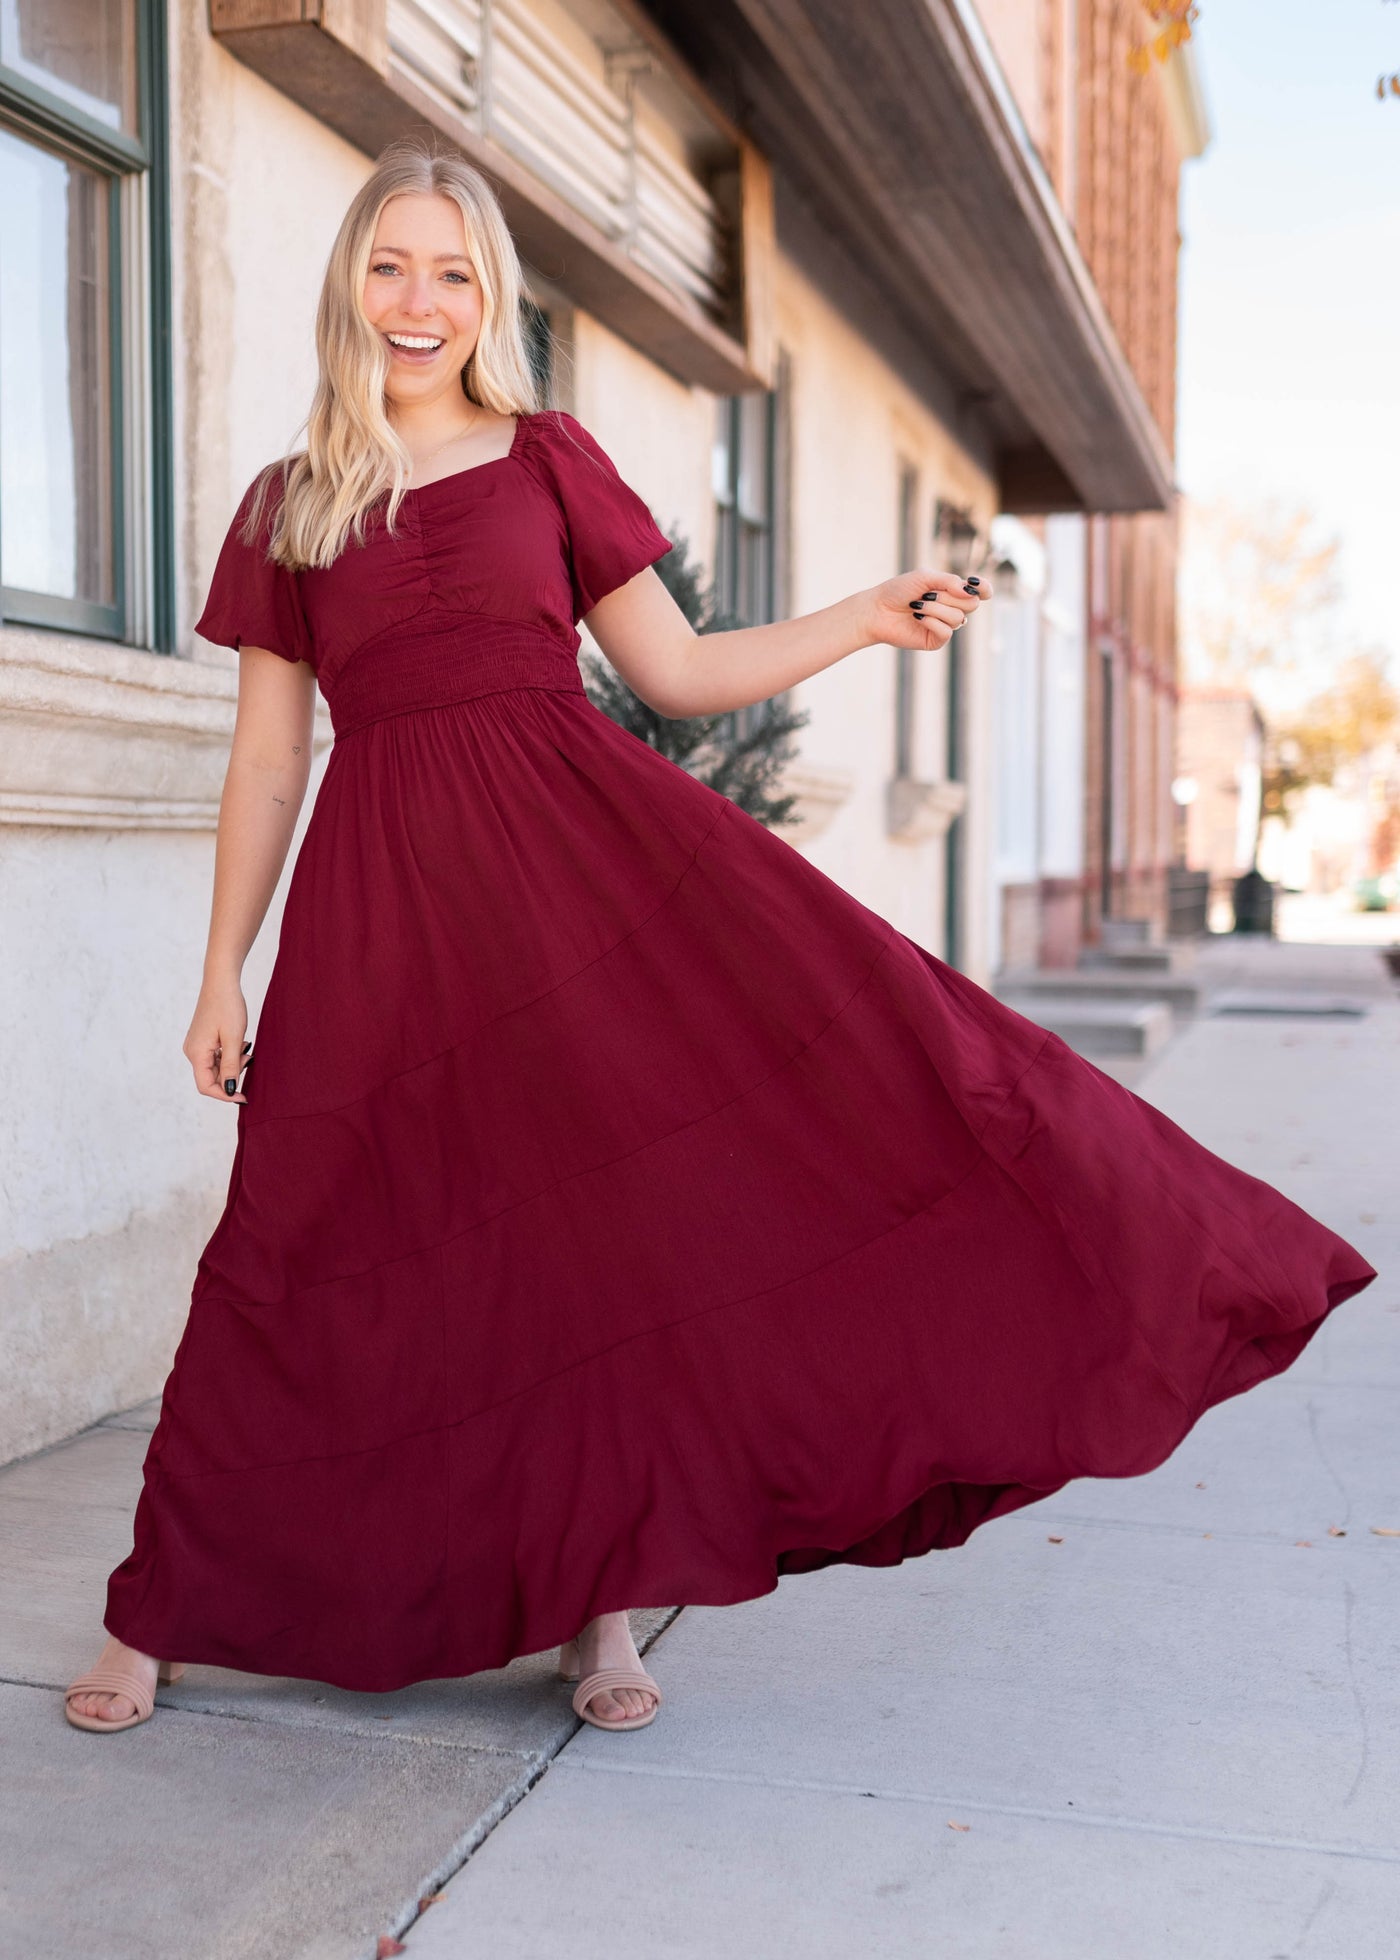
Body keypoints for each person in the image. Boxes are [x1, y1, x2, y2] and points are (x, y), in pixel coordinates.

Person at [65, 140, 1375, 1739]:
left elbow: (673, 675)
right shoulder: (292, 501)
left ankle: (597, 1616)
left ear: (491, 296)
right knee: (295, 1239)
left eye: (454, 271)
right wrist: (221, 967)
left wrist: (859, 619)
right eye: (392, 267)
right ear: (350, 285)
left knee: (597, 1251)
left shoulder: (547, 459)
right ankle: (166, 1605)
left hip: (574, 899)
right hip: (380, 921)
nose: (420, 301)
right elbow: (270, 758)